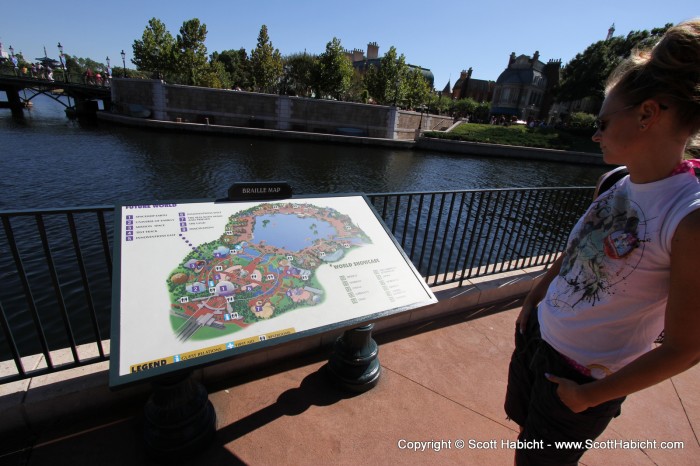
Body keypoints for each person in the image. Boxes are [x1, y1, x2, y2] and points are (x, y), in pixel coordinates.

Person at [504, 18, 700, 465]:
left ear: (648, 115)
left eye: (604, 121)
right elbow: (578, 250)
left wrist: (590, 397)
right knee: (524, 433)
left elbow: (687, 348)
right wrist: (534, 297)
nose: (595, 133)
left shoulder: (689, 218)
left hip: (583, 376)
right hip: (539, 336)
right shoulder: (615, 179)